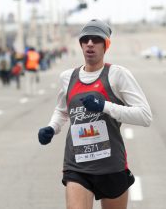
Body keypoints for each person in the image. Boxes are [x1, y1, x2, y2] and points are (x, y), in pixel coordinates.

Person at [38, 19, 152, 209]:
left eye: (96, 39)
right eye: (86, 39)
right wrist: (52, 127)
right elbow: (61, 110)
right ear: (81, 45)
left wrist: (105, 106)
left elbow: (145, 116)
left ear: (106, 45)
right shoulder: (68, 77)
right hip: (77, 165)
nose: (90, 43)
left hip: (111, 165)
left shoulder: (117, 75)